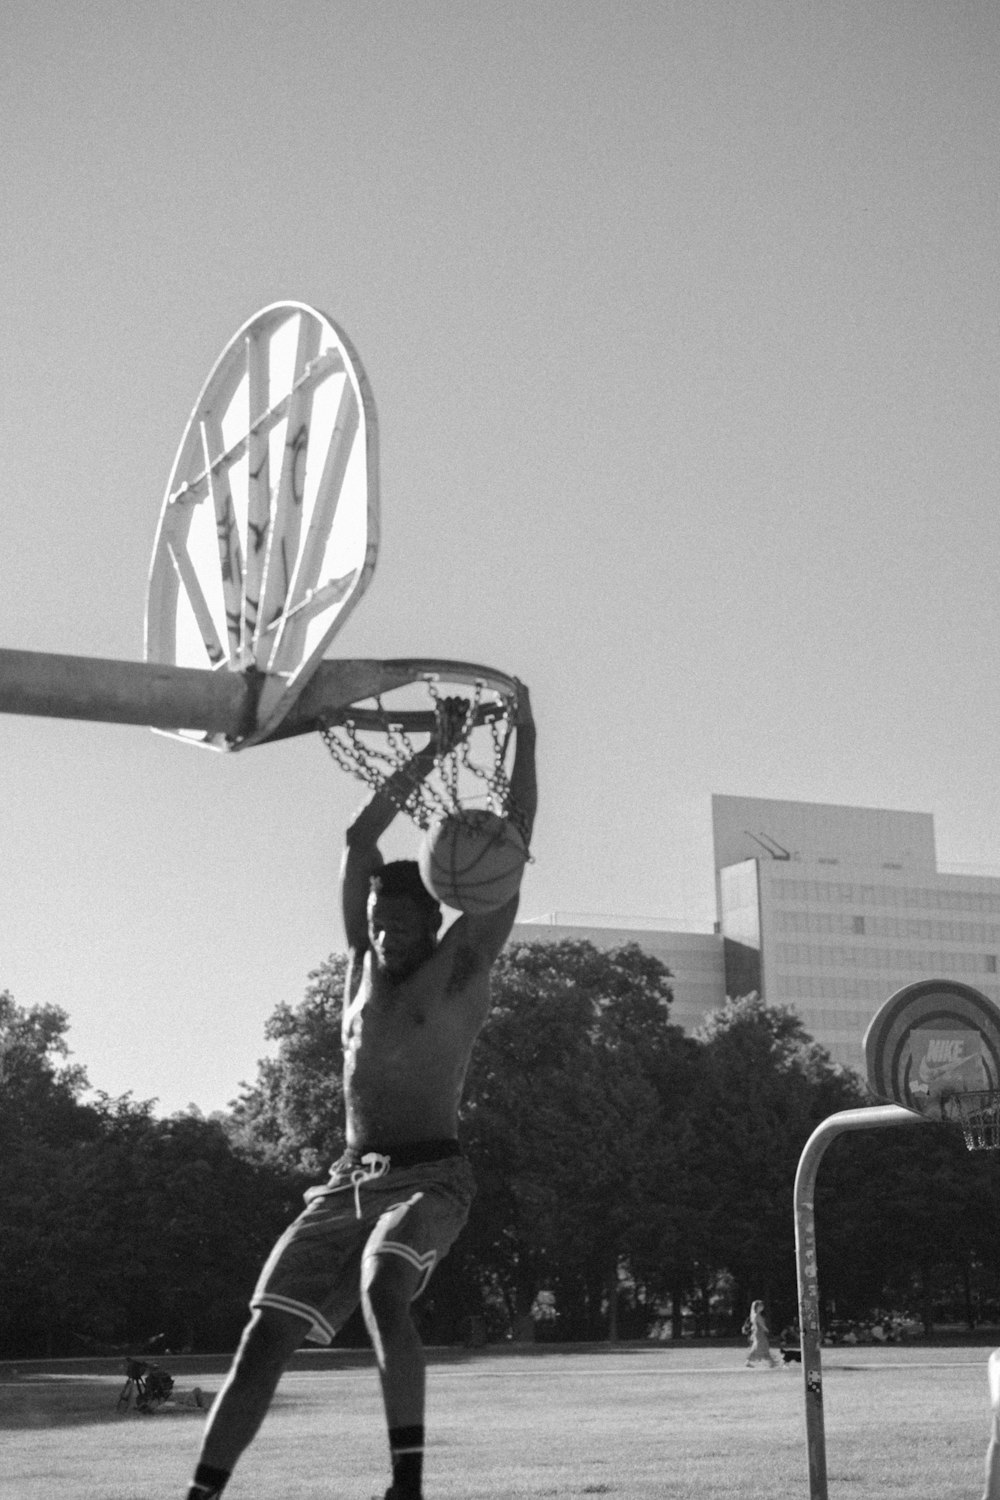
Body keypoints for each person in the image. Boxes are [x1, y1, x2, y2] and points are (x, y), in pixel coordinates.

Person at [183, 686, 537, 1500]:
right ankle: (202, 1494)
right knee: (261, 1337)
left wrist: (527, 738)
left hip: (432, 1175)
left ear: (430, 920)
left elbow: (515, 838)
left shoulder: (460, 968)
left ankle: (405, 1482)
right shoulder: (358, 967)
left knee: (385, 1286)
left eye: (397, 921)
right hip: (346, 1178)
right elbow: (358, 837)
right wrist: (436, 746)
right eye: (376, 917)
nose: (383, 930)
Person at [744, 1299, 778, 1369]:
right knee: (760, 1347)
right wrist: (766, 1329)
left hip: (759, 1333)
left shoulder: (757, 1315)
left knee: (763, 1346)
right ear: (756, 1307)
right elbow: (761, 1324)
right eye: (760, 1306)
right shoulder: (757, 1315)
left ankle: (772, 1362)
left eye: (762, 1306)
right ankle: (771, 1362)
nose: (762, 1307)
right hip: (759, 1333)